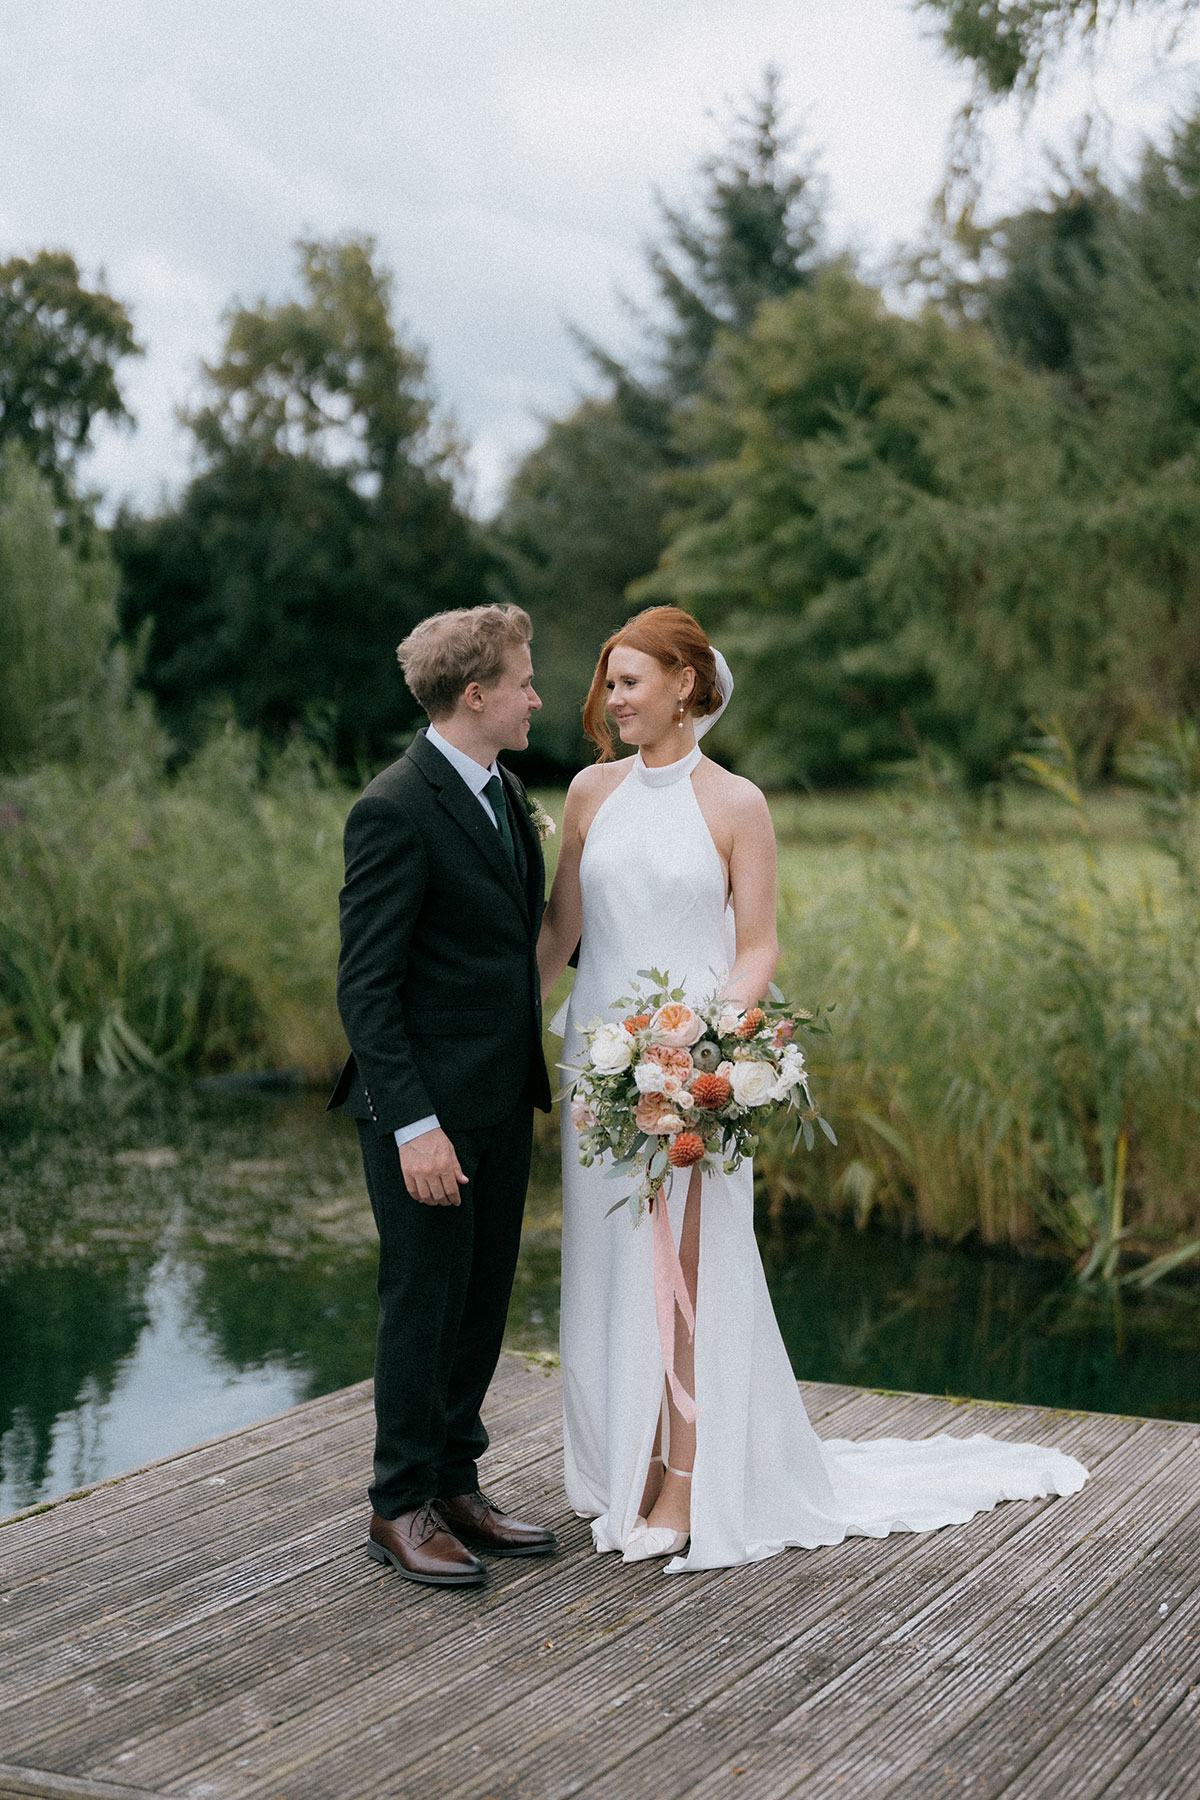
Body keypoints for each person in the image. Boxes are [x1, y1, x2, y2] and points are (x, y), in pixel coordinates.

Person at [538, 605, 1087, 1573]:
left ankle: (689, 1479)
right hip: (599, 1072)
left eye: (629, 681)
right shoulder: (588, 793)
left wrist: (701, 1051)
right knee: (612, 1267)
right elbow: (560, 935)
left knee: (692, 1277)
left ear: (684, 684)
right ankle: (624, 1460)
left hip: (689, 1077)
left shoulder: (736, 803)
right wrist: (500, 1026)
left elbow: (757, 946)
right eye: (608, 684)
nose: (612, 699)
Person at [329, 603, 557, 1588]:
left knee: (479, 1298)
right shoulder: (393, 807)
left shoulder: (504, 793)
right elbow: (366, 989)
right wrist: (414, 1125)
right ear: (476, 694)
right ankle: (399, 1503)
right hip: (423, 1111)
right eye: (524, 680)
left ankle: (457, 1480)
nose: (537, 697)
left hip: (502, 1098)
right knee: (423, 1304)